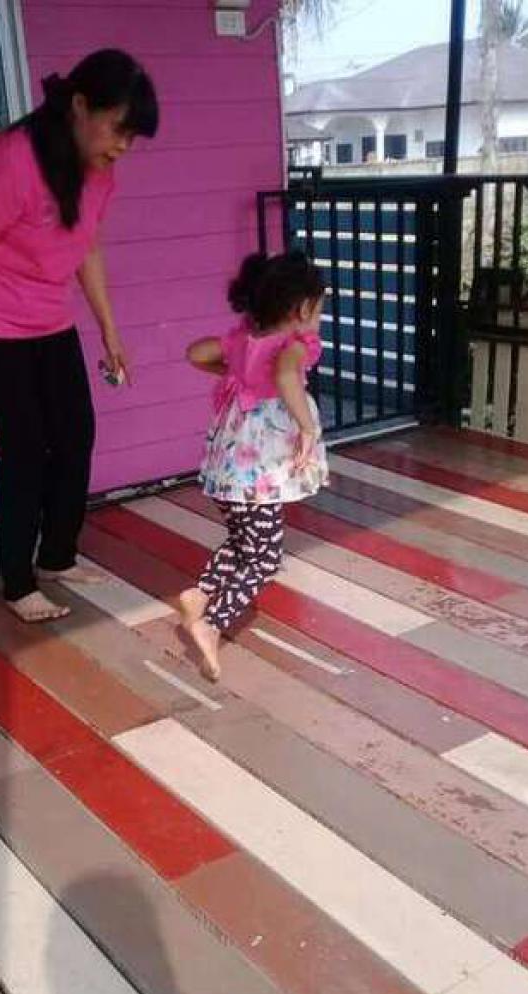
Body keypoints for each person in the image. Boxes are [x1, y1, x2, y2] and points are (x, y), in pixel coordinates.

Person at [0, 50, 159, 622]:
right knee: (25, 448)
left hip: (49, 317)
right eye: (118, 129)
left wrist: (109, 330)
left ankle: (56, 557)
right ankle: (18, 583)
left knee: (75, 434)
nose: (124, 146)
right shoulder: (14, 162)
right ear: (80, 106)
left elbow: (85, 245)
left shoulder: (99, 171)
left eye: (132, 137)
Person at [178, 250, 329, 681]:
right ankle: (212, 623)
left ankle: (199, 594)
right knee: (264, 559)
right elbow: (285, 376)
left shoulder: (243, 340)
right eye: (319, 309)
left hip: (227, 470)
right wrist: (307, 428)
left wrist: (236, 373)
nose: (319, 318)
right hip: (258, 473)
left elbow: (195, 353)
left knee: (243, 541)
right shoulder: (294, 345)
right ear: (303, 308)